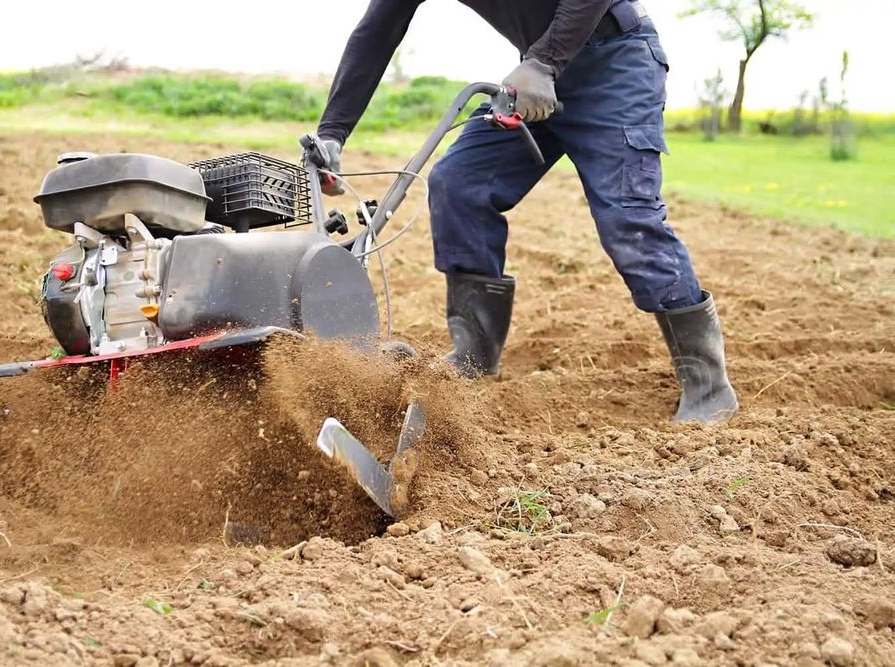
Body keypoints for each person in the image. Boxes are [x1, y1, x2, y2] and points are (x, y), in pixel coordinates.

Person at [305, 0, 738, 423]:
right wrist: (333, 133)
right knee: (460, 183)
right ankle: (474, 354)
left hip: (616, 65)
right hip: (536, 74)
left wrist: (544, 62)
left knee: (628, 217)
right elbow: (376, 33)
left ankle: (708, 384)